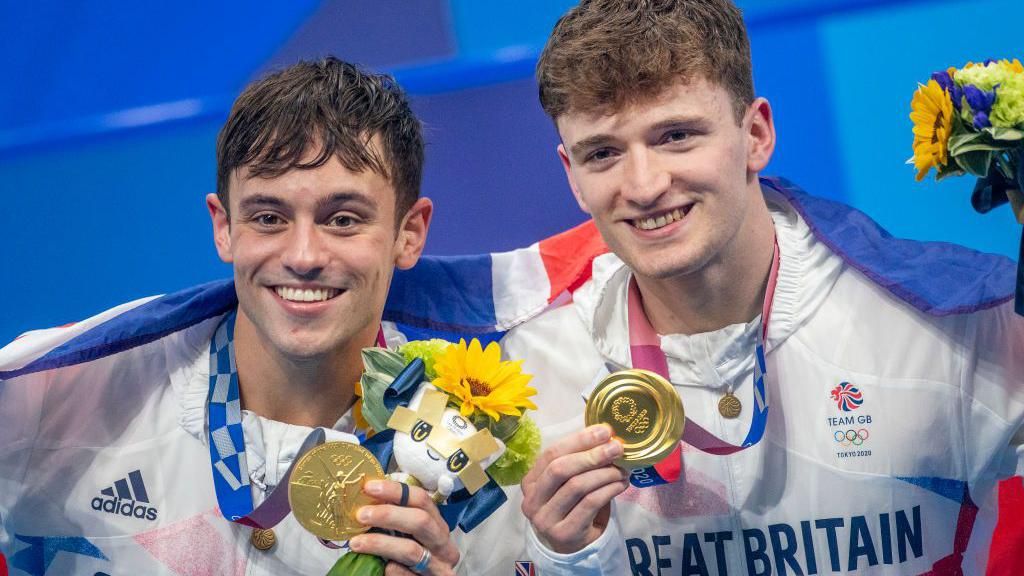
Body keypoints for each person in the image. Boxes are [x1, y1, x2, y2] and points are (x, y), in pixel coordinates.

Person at [453, 0, 1024, 574]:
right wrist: (565, 559)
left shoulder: (950, 324)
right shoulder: (521, 376)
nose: (645, 185)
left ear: (755, 134)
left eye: (676, 136)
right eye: (603, 153)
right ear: (572, 176)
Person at [0, 57, 461, 575]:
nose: (304, 256)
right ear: (224, 227)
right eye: (268, 218)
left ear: (410, 232)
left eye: (343, 219)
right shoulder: (58, 392)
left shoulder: (464, 448)